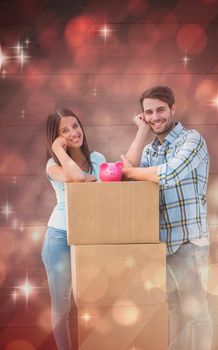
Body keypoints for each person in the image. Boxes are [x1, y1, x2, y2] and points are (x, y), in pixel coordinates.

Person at [121, 86, 213, 350]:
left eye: (160, 109)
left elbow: (168, 174)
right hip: (162, 245)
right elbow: (130, 179)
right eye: (148, 112)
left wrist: (130, 172)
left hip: (188, 244)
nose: (154, 117)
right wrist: (140, 132)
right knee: (175, 311)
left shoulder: (191, 140)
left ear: (173, 109)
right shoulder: (151, 150)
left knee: (197, 314)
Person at [41, 107, 106, 350]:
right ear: (55, 137)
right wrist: (58, 149)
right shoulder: (52, 165)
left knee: (92, 300)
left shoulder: (97, 159)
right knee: (62, 306)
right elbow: (77, 179)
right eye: (64, 131)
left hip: (89, 237)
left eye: (76, 126)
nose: (73, 133)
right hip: (59, 238)